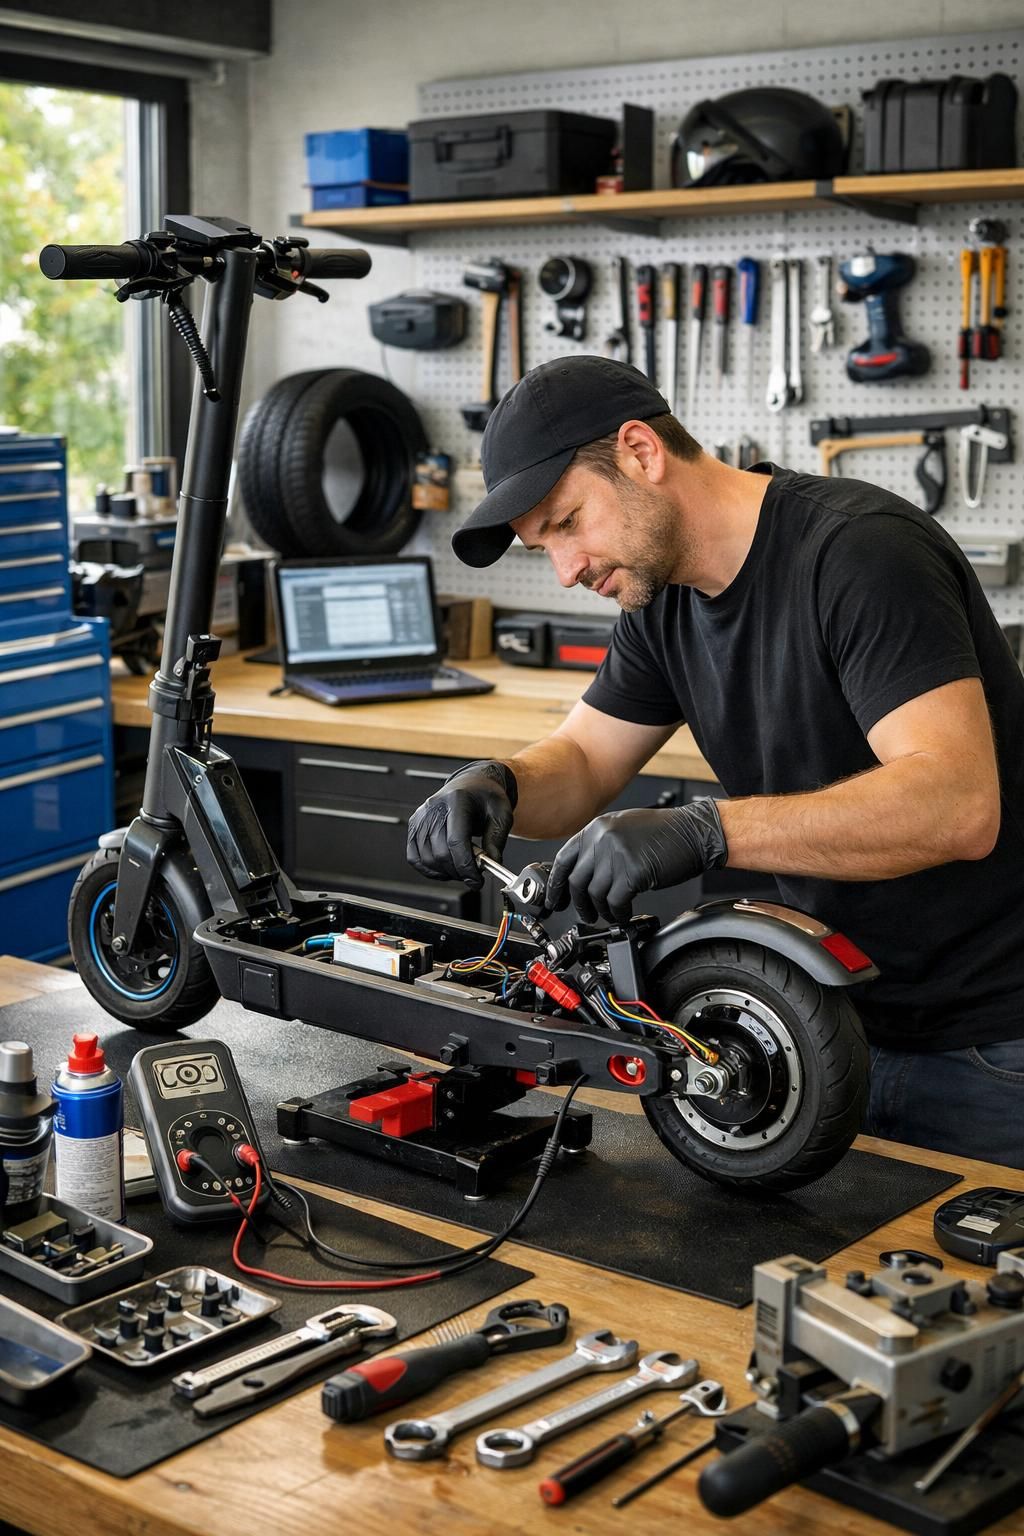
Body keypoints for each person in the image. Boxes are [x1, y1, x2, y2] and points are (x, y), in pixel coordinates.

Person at [407, 355, 1024, 1170]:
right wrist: (501, 784)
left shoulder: (860, 554)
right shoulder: (661, 598)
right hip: (823, 1027)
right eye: (542, 546)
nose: (567, 568)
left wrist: (706, 831)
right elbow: (589, 757)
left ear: (639, 452)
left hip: (988, 1045)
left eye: (566, 523)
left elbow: (956, 806)